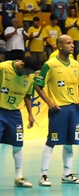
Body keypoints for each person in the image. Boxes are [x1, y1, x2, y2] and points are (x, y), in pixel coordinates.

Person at [34, 35, 79, 186]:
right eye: (69, 43)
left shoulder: (75, 64)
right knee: (52, 142)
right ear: (60, 46)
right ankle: (43, 175)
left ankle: (67, 174)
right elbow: (37, 85)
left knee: (70, 142)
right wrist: (49, 102)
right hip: (59, 109)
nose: (73, 46)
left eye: (73, 43)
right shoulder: (49, 64)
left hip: (74, 108)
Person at [0, 57, 42, 188]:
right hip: (0, 110)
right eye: (27, 71)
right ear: (22, 64)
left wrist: (30, 114)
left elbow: (28, 95)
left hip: (14, 113)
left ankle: (19, 177)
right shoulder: (3, 68)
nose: (28, 75)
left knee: (18, 145)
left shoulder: (30, 76)